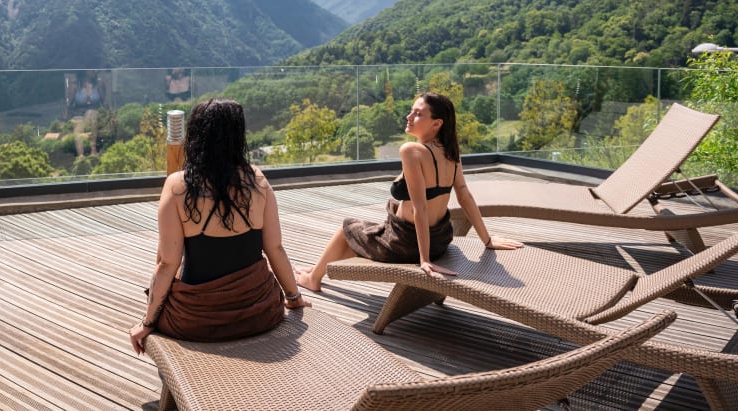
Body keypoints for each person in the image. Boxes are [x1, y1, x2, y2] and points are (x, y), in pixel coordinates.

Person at [130, 98, 310, 354]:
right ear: (238, 137)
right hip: (259, 314)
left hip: (197, 321)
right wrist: (294, 298)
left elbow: (167, 263)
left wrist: (147, 322)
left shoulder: (178, 186)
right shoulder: (258, 181)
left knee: (171, 272)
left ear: (195, 136)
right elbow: (275, 248)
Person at [296, 92, 522, 292]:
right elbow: (464, 196)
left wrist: (423, 259)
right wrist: (487, 239)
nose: (409, 117)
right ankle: (316, 269)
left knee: (346, 229)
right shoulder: (451, 151)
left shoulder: (412, 151)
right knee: (362, 235)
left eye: (417, 114)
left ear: (437, 123)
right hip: (441, 238)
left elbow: (420, 208)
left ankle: (313, 279)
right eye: (410, 112)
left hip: (406, 242)